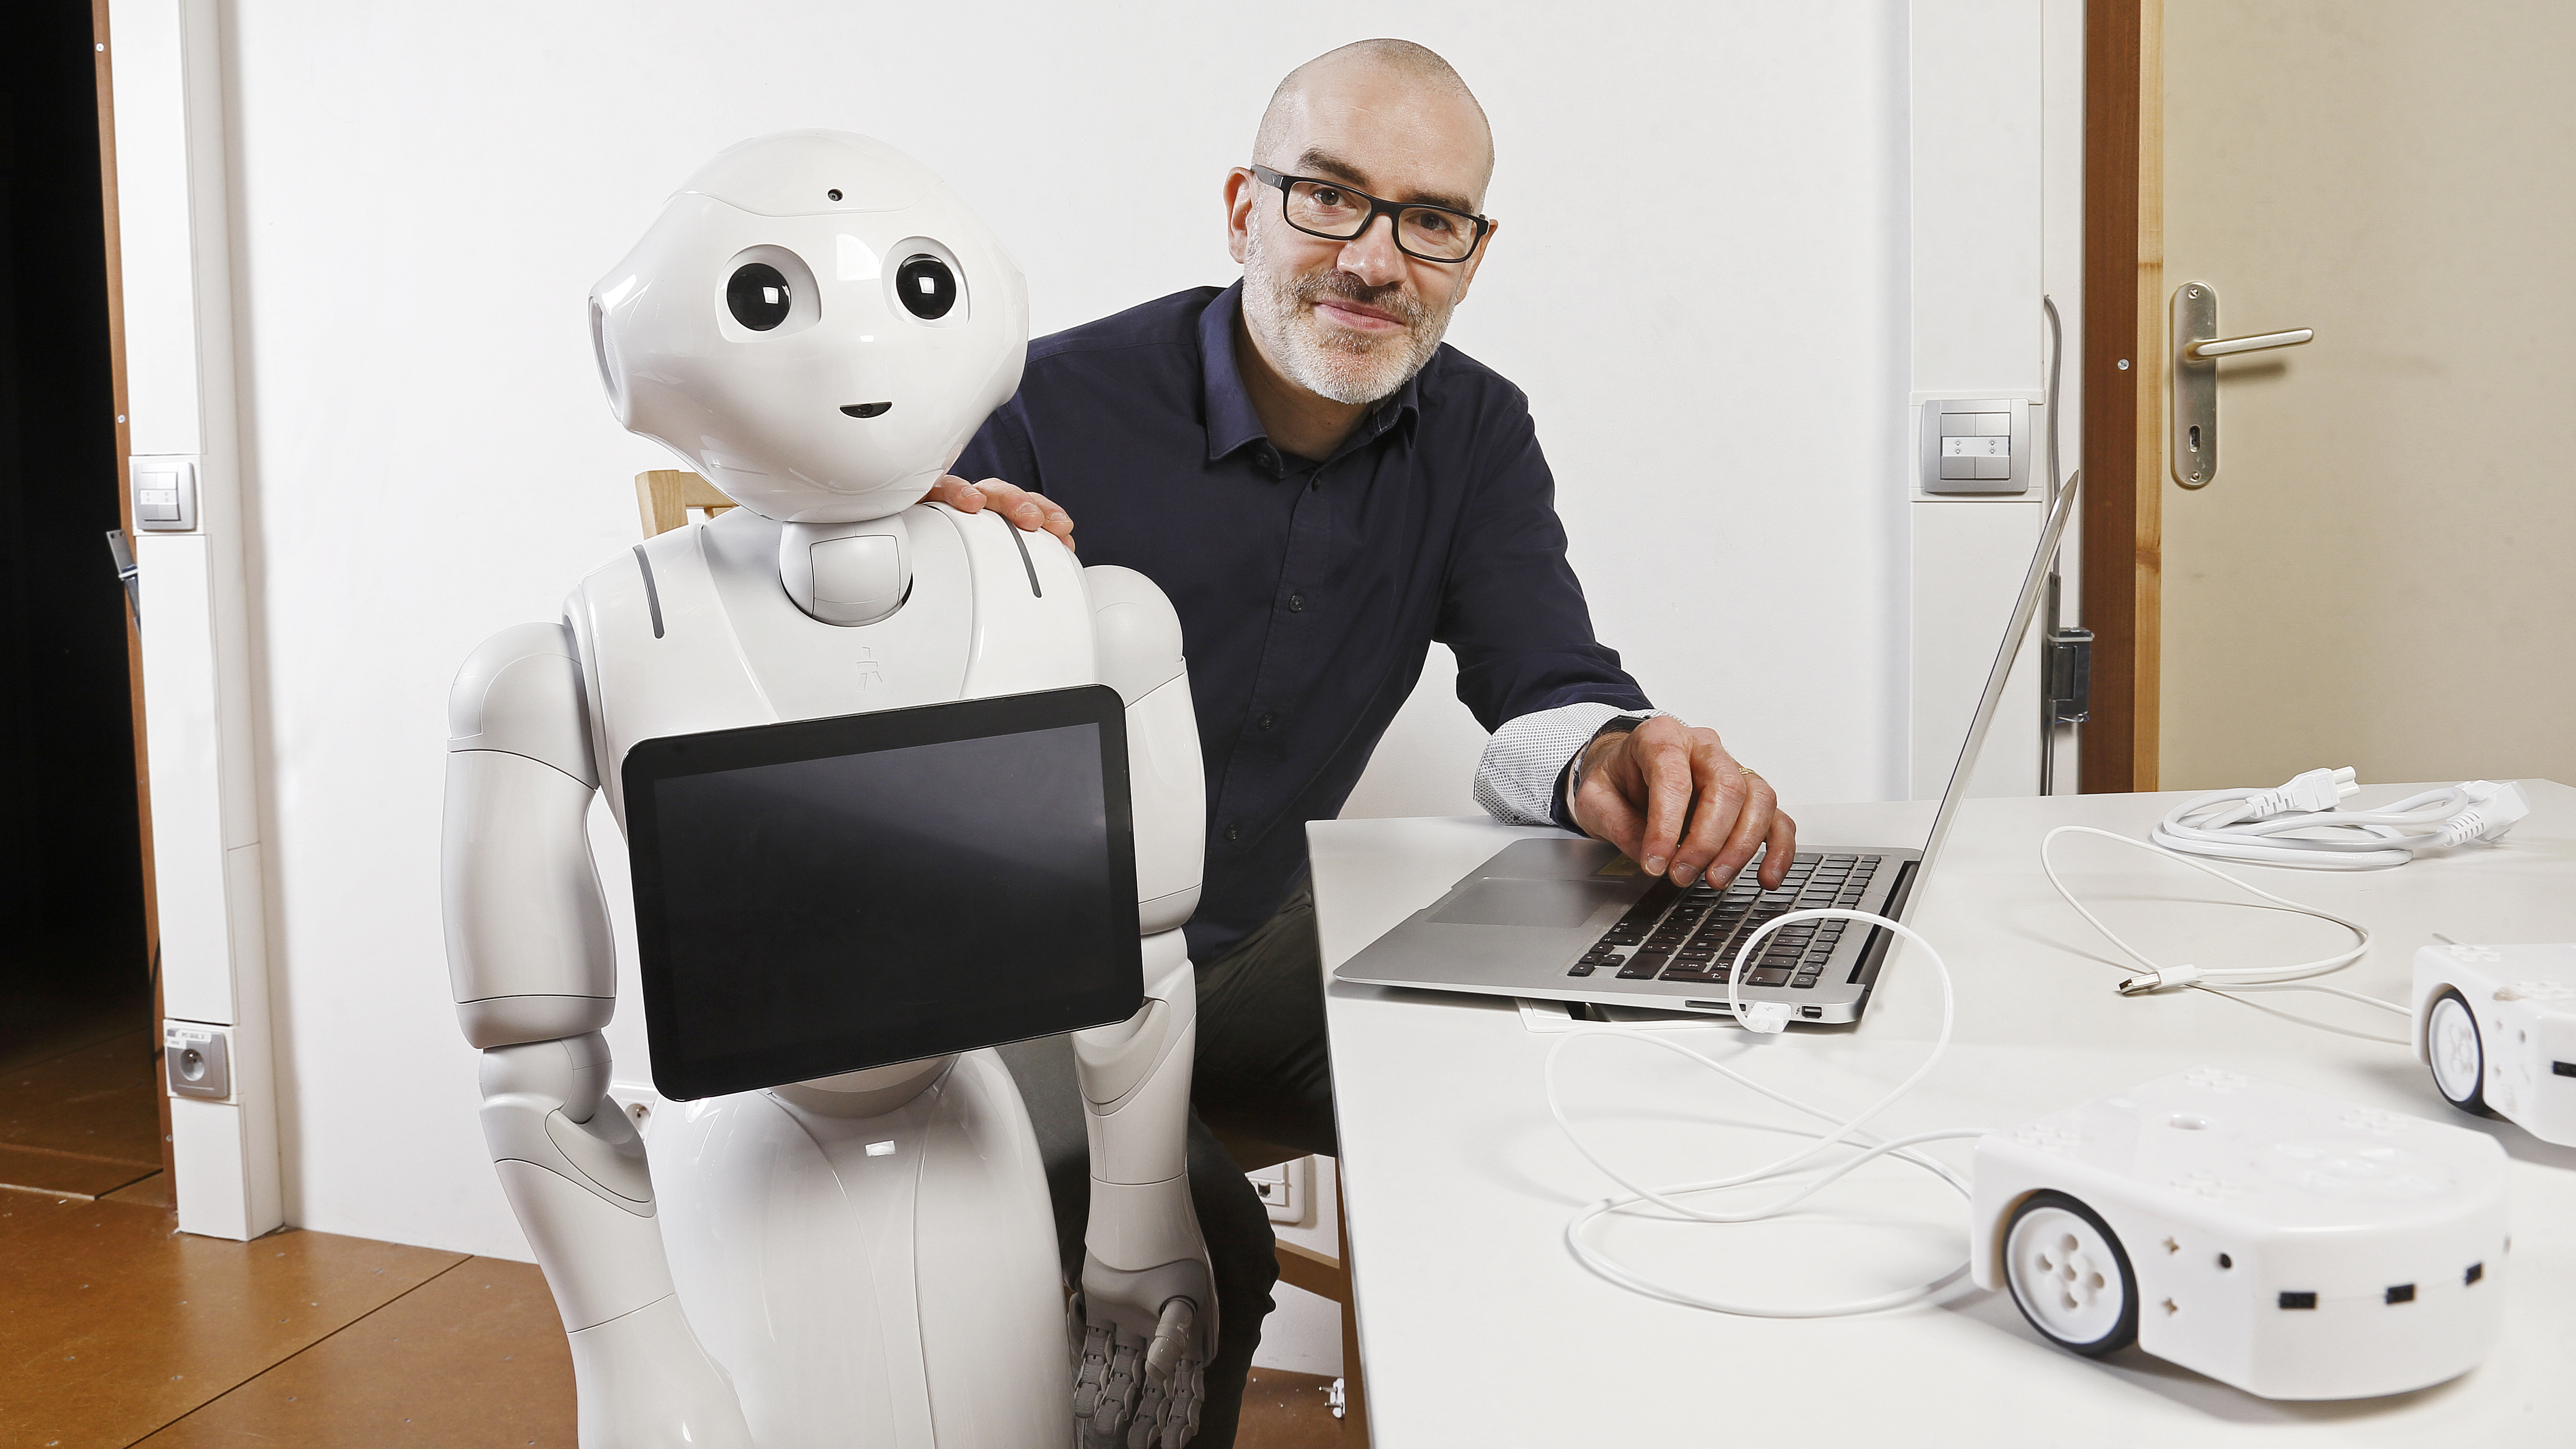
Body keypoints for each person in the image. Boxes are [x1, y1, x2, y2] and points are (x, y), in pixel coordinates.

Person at [935, 39, 1797, 1447]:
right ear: (1243, 208)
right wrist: (905, 577)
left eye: (1431, 219)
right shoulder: (1042, 402)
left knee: (1517, 1094)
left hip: (1235, 949)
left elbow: (1546, 680)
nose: (1376, 258)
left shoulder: (1479, 433)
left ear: (1470, 250)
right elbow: (880, 718)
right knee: (1195, 1242)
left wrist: (1616, 758)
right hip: (1012, 973)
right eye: (1329, 197)